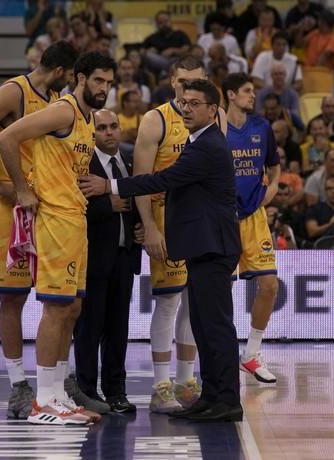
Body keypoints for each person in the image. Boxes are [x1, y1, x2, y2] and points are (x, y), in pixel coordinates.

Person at [80, 79, 243, 423]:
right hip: (203, 248)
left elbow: (161, 179)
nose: (186, 109)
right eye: (184, 103)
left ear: (213, 110)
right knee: (201, 323)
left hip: (214, 249)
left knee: (215, 327)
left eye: (196, 103)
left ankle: (227, 399)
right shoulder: (199, 141)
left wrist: (109, 185)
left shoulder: (208, 145)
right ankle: (211, 396)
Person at [0, 41, 78, 419]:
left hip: (49, 209)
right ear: (60, 71)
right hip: (14, 210)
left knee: (62, 302)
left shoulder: (56, 98)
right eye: (71, 75)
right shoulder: (14, 92)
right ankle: (17, 386)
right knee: (12, 298)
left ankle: (57, 382)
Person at [0, 51, 117, 425]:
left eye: (109, 83)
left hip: (75, 219)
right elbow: (6, 137)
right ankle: (43, 400)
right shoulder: (64, 110)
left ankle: (58, 394)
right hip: (54, 219)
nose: (105, 89)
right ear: (80, 78)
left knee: (72, 309)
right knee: (55, 308)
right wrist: (22, 189)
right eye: (99, 80)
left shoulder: (86, 119)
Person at [127, 56, 226, 414]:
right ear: (172, 81)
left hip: (201, 223)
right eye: (183, 82)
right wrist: (149, 225)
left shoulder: (216, 116)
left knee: (194, 302)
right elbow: (141, 177)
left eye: (195, 82)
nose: (188, 89)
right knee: (169, 302)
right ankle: (160, 385)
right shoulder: (155, 119)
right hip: (166, 221)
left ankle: (187, 381)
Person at [73, 109, 143, 414]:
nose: (110, 132)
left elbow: (138, 199)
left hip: (125, 257)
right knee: (89, 328)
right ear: (92, 134)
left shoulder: (130, 159)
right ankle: (87, 390)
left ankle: (117, 391)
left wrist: (139, 225)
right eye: (102, 128)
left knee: (118, 329)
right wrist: (107, 205)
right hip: (93, 259)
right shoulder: (83, 163)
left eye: (114, 126)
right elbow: (72, 209)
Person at [223, 73, 280, 384]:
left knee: (270, 285)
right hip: (224, 218)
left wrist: (267, 195)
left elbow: (275, 167)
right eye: (246, 91)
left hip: (254, 217)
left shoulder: (261, 127)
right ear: (230, 94)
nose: (252, 96)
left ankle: (252, 353)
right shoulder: (217, 129)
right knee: (224, 291)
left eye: (253, 91)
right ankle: (221, 355)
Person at [143, 11, 191, 77]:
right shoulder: (152, 37)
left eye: (166, 21)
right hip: (159, 62)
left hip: (176, 61)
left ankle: (165, 73)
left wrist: (173, 50)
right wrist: (150, 51)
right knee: (149, 55)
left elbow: (187, 49)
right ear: (156, 24)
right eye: (161, 22)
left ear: (170, 21)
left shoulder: (180, 34)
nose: (164, 24)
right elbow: (142, 52)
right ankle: (165, 73)